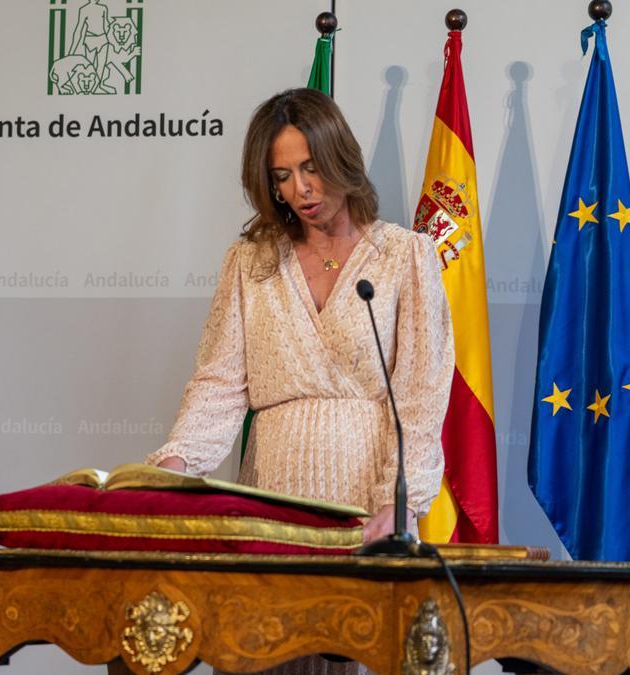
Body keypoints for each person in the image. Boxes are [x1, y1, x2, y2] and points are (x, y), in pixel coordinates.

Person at [145, 88, 454, 675]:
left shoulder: (405, 257)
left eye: (311, 168)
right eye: (282, 175)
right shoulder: (250, 261)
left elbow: (419, 395)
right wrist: (178, 464)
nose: (300, 190)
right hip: (268, 504)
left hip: (364, 512)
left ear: (340, 157)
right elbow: (218, 383)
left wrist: (401, 505)